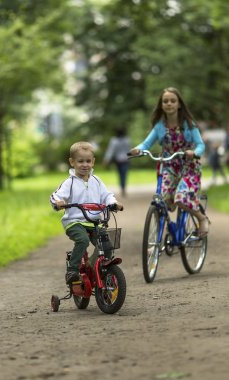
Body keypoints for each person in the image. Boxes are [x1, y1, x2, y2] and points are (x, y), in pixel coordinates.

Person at [129, 87, 210, 237]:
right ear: (161, 105)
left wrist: (194, 153)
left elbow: (200, 145)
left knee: (181, 198)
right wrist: (138, 149)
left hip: (189, 167)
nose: (169, 104)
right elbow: (146, 144)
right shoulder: (160, 126)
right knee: (162, 201)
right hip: (169, 166)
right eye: (165, 101)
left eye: (173, 101)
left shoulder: (188, 124)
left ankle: (202, 218)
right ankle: (156, 241)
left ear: (179, 104)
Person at [50, 141, 124, 285]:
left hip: (94, 222)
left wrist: (113, 203)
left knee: (107, 244)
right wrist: (58, 202)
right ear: (72, 162)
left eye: (88, 161)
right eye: (80, 161)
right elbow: (56, 195)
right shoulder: (69, 182)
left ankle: (96, 265)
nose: (85, 165)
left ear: (93, 162)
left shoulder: (96, 180)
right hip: (75, 222)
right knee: (83, 240)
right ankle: (72, 270)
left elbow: (106, 195)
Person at [103, 127, 131, 197]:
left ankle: (122, 188)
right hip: (125, 160)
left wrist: (106, 160)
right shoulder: (127, 140)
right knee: (123, 175)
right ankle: (123, 188)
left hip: (119, 160)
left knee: (120, 175)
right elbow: (129, 150)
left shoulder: (114, 140)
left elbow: (110, 151)